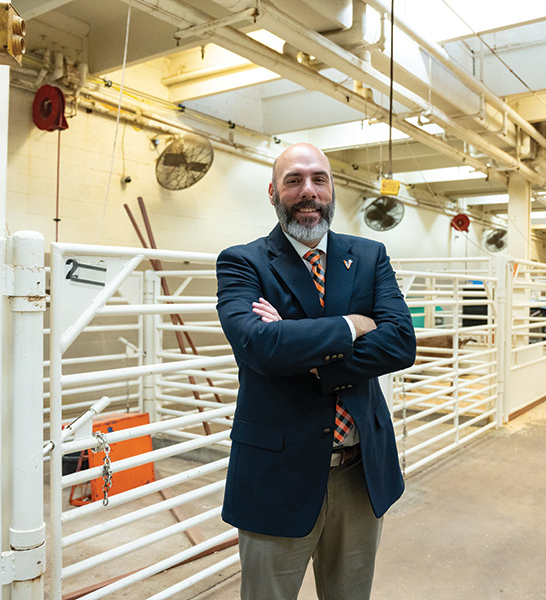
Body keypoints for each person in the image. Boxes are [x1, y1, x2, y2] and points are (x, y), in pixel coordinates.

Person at [215, 142, 417, 600]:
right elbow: (260, 347)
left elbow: (401, 343)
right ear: (273, 191)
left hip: (359, 474)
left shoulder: (369, 257)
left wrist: (303, 351)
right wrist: (353, 325)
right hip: (276, 476)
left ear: (332, 189)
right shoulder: (242, 262)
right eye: (294, 180)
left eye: (318, 179)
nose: (308, 191)